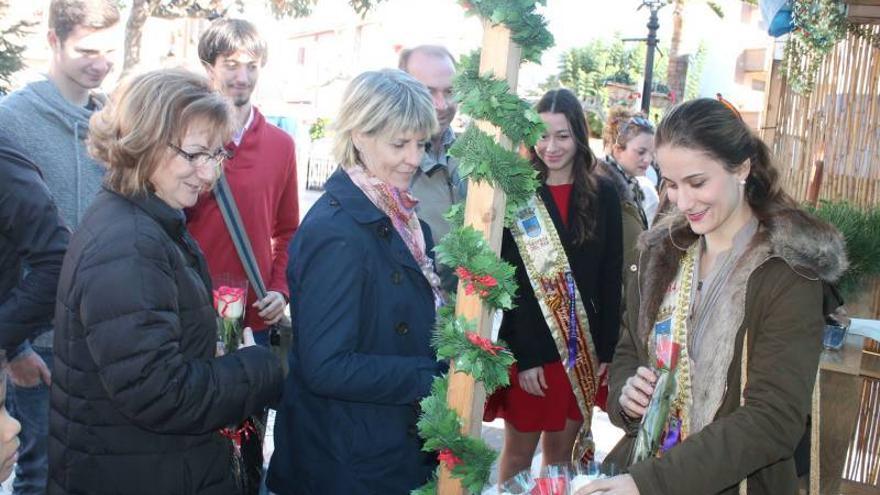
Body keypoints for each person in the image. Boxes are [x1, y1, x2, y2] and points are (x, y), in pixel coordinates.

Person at [576, 98, 848, 495]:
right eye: (670, 184)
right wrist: (627, 393)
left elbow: (773, 420)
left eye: (697, 182)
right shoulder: (658, 253)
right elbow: (629, 351)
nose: (682, 203)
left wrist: (650, 484)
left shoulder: (788, 274)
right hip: (643, 464)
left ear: (741, 168)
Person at [49, 69, 284, 495]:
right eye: (194, 155)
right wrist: (257, 368)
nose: (209, 174)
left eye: (216, 155)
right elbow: (160, 393)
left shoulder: (144, 222)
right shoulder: (130, 242)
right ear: (145, 143)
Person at [266, 69, 445, 495]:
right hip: (346, 459)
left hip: (380, 446)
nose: (414, 158)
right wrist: (438, 375)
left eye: (421, 143)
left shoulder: (401, 216)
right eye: (399, 144)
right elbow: (326, 366)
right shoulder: (338, 231)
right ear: (360, 136)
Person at [0, 1, 120, 492]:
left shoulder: (114, 122)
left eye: (109, 49)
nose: (101, 61)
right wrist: (15, 346)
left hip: (108, 339)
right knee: (39, 473)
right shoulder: (11, 123)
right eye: (86, 49)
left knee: (100, 472)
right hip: (40, 347)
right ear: (53, 40)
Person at [483, 88, 623, 484]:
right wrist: (525, 356)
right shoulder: (517, 195)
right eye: (542, 135)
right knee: (516, 460)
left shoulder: (606, 194)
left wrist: (606, 350)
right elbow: (509, 284)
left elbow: (611, 277)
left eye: (562, 135)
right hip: (531, 351)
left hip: (580, 350)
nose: (551, 146)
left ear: (579, 135)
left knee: (561, 460)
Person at [187, 18, 299, 346]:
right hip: (191, 310)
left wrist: (280, 288)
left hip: (254, 316)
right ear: (209, 68)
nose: (242, 78)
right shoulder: (184, 138)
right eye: (231, 65)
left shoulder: (281, 145)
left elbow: (289, 230)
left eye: (252, 66)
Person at [399, 45, 464, 288]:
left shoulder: (474, 158)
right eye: (428, 92)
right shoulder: (384, 165)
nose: (441, 105)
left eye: (449, 91)